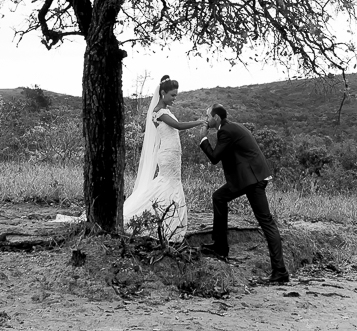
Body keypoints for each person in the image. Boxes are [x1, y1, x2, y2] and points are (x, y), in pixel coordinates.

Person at [198, 104, 290, 284]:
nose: (206, 119)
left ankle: (280, 272)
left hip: (252, 180)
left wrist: (203, 138)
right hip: (250, 177)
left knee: (266, 222)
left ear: (216, 118)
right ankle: (220, 247)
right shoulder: (232, 128)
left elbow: (215, 157)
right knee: (219, 197)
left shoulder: (225, 131)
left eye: (207, 116)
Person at [122, 75, 206, 244]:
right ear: (162, 93)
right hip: (167, 154)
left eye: (176, 95)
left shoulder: (165, 111)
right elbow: (179, 126)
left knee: (170, 183)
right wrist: (200, 122)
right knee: (168, 183)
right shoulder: (159, 112)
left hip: (173, 153)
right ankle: (163, 220)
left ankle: (166, 220)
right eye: (173, 95)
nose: (175, 98)